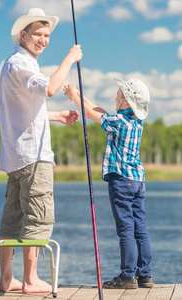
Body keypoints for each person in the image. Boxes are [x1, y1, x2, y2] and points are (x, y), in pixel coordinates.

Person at [0, 8, 82, 294]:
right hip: (34, 157)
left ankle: (6, 279)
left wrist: (56, 116)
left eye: (46, 35)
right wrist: (70, 58)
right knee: (39, 217)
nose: (43, 40)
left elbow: (26, 110)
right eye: (37, 34)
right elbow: (49, 89)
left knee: (13, 218)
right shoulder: (23, 64)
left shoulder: (15, 64)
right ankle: (30, 279)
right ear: (23, 34)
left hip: (16, 157)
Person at [63, 78, 153, 289]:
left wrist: (73, 97)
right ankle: (145, 275)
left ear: (127, 102)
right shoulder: (135, 122)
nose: (115, 97)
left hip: (121, 181)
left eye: (119, 95)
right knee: (140, 228)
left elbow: (92, 114)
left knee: (126, 229)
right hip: (138, 180)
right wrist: (78, 95)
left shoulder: (119, 122)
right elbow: (98, 110)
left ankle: (128, 275)